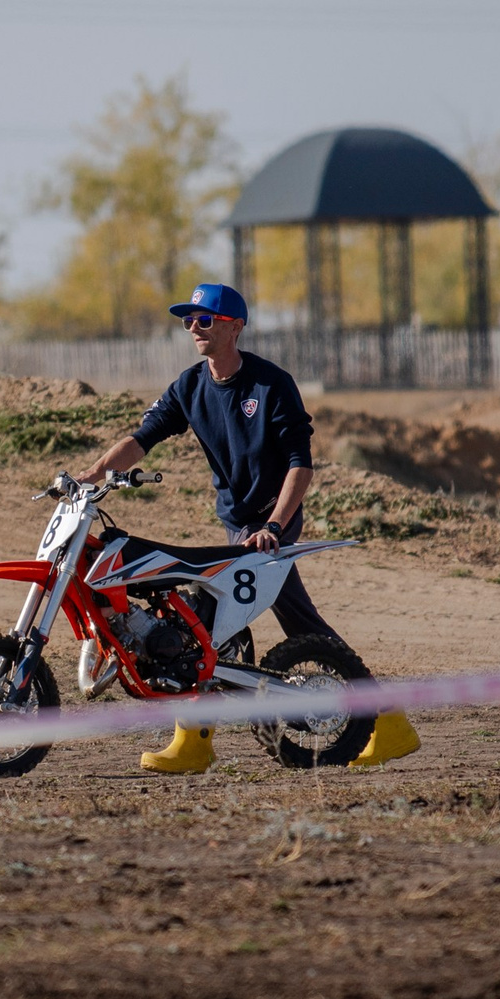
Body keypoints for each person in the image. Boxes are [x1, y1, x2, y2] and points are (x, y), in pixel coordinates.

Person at [77, 282, 420, 775]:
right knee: (221, 626)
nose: (194, 328)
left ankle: (382, 723)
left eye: (205, 319)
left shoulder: (270, 384)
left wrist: (276, 527)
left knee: (225, 622)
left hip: (272, 521)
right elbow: (140, 439)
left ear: (234, 326)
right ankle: (386, 723)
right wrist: (92, 475)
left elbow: (301, 465)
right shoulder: (189, 387)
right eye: (188, 320)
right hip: (237, 525)